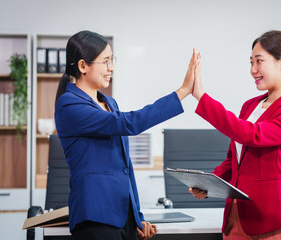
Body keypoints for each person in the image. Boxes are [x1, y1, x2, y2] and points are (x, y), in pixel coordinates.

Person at [54, 30, 199, 240]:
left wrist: (137, 217)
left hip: (123, 216)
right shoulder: (69, 104)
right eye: (105, 61)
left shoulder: (109, 103)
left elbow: (125, 168)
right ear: (83, 66)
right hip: (95, 217)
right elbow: (129, 123)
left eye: (112, 60)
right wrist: (183, 91)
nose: (111, 67)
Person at [189, 30, 281, 240]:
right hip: (236, 221)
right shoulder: (250, 106)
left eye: (259, 61)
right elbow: (233, 161)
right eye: (251, 62)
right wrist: (209, 183)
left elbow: (252, 135)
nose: (253, 70)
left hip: (273, 222)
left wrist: (201, 97)